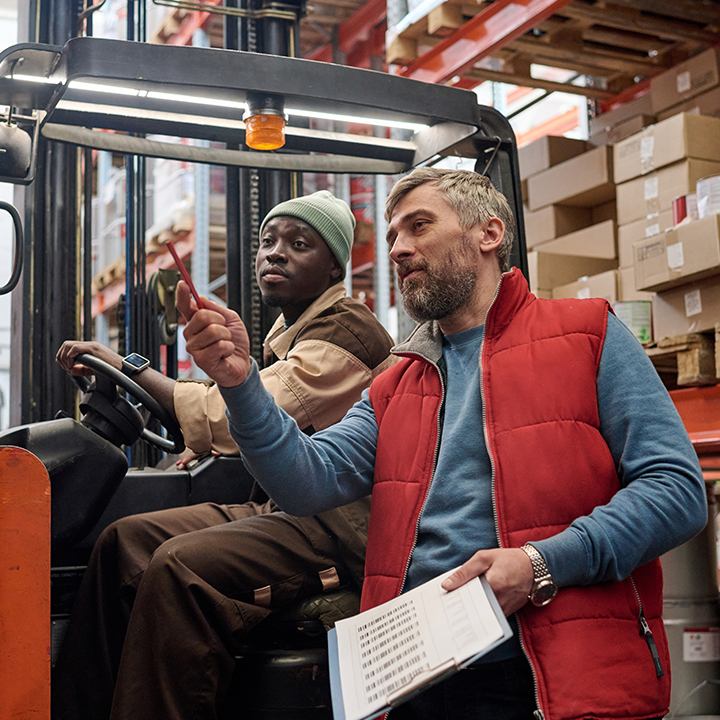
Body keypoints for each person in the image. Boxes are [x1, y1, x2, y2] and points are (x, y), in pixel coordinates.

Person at [180, 167, 708, 720]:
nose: (400, 248)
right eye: (392, 237)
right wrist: (240, 386)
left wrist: (540, 564)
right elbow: (306, 481)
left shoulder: (588, 334)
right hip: (415, 674)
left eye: (419, 226)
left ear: (489, 233)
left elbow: (675, 492)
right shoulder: (396, 383)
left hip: (546, 674)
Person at [52, 190, 396, 720]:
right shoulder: (291, 332)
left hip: (338, 527)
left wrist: (132, 367)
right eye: (267, 242)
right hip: (286, 509)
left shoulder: (344, 335)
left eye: (298, 244)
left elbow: (226, 416)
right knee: (123, 540)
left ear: (334, 267)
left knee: (178, 569)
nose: (274, 254)